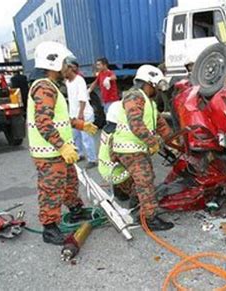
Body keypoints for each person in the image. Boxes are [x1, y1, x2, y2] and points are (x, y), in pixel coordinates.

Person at [27, 41, 98, 245]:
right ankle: (49, 228)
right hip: (49, 153)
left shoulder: (51, 87)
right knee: (51, 190)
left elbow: (58, 119)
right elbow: (44, 123)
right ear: (55, 62)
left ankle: (76, 210)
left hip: (57, 151)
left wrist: (79, 124)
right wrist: (62, 145)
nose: (70, 68)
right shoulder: (44, 87)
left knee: (69, 183)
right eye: (67, 63)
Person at [110, 65, 174, 231]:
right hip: (129, 149)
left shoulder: (148, 102)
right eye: (156, 86)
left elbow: (161, 124)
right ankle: (150, 218)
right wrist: (153, 142)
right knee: (145, 181)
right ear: (149, 83)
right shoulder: (134, 97)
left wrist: (176, 142)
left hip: (135, 148)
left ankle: (136, 204)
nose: (157, 91)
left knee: (140, 179)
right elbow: (136, 124)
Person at [64, 58, 98, 169]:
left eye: (65, 71)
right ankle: (79, 154)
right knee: (75, 136)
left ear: (70, 69)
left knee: (86, 138)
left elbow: (82, 98)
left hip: (83, 113)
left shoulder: (80, 80)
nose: (63, 73)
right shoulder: (68, 82)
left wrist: (80, 113)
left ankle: (92, 159)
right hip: (73, 114)